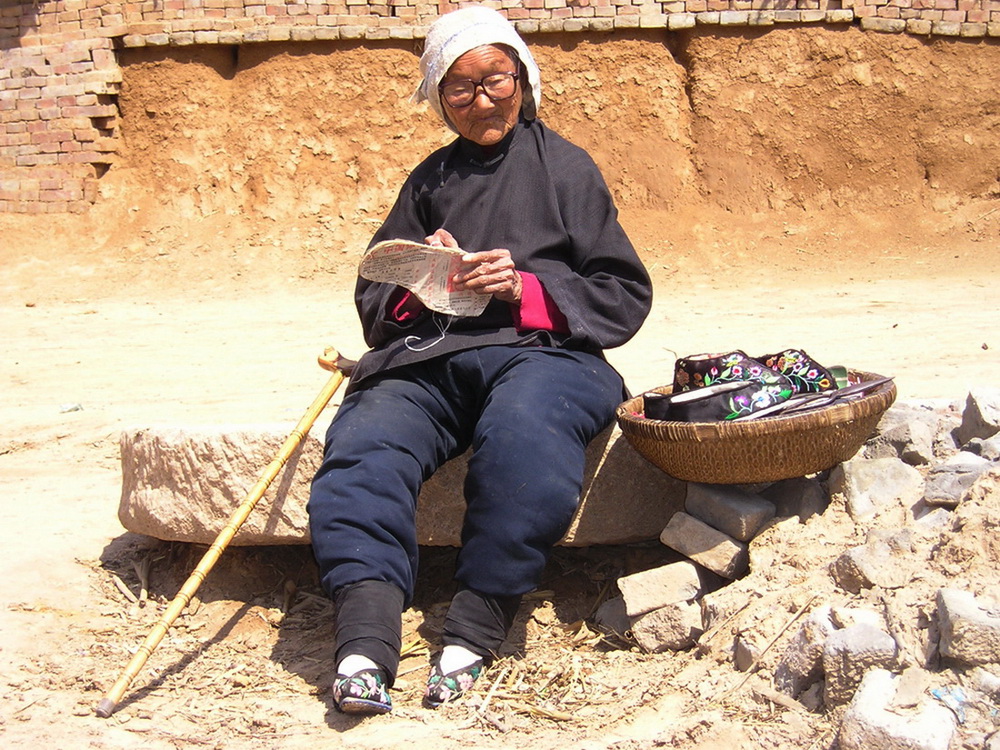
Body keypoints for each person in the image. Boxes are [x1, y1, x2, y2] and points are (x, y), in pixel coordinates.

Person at [307, 4, 652, 715]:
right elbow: (376, 296)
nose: (481, 98)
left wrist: (523, 287)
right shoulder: (429, 180)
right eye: (459, 88)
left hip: (542, 353)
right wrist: (425, 277)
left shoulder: (567, 168)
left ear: (523, 77)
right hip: (433, 354)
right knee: (365, 445)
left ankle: (474, 626)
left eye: (495, 79)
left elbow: (621, 295)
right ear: (439, 97)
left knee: (527, 433)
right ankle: (365, 642)